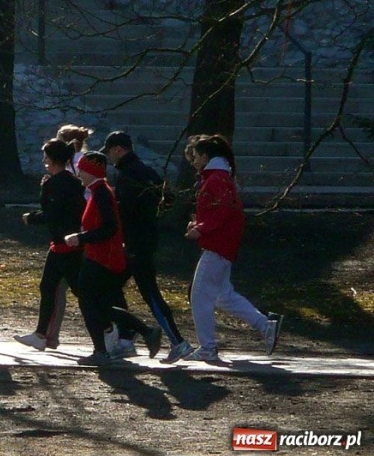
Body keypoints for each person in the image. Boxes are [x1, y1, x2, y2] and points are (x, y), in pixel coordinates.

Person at [182, 134, 283, 362]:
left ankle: (207, 347)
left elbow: (224, 210)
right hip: (223, 245)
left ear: (205, 157)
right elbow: (222, 211)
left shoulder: (215, 178)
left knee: (199, 296)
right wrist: (199, 224)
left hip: (216, 246)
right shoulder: (220, 176)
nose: (194, 162)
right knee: (222, 296)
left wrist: (201, 229)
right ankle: (265, 325)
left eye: (196, 157)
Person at [102, 130, 194, 363]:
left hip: (135, 242)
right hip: (145, 238)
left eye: (110, 152)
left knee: (150, 293)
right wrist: (152, 215)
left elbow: (124, 210)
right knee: (111, 287)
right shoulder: (147, 171)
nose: (109, 158)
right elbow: (168, 198)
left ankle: (178, 342)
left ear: (118, 149)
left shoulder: (126, 175)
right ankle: (127, 336)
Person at [64, 152, 162, 366]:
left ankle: (101, 351)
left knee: (89, 304)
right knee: (100, 306)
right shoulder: (99, 191)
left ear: (92, 171)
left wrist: (81, 238)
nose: (79, 174)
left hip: (100, 258)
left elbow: (109, 228)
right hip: (99, 256)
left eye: (82, 170)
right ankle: (145, 331)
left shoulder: (101, 193)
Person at [13, 138, 86, 351]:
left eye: (45, 157)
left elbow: (52, 214)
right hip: (68, 242)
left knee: (74, 291)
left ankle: (117, 328)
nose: (43, 160)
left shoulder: (55, 184)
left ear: (52, 160)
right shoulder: (73, 181)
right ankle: (41, 334)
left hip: (63, 245)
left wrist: (32, 217)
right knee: (52, 287)